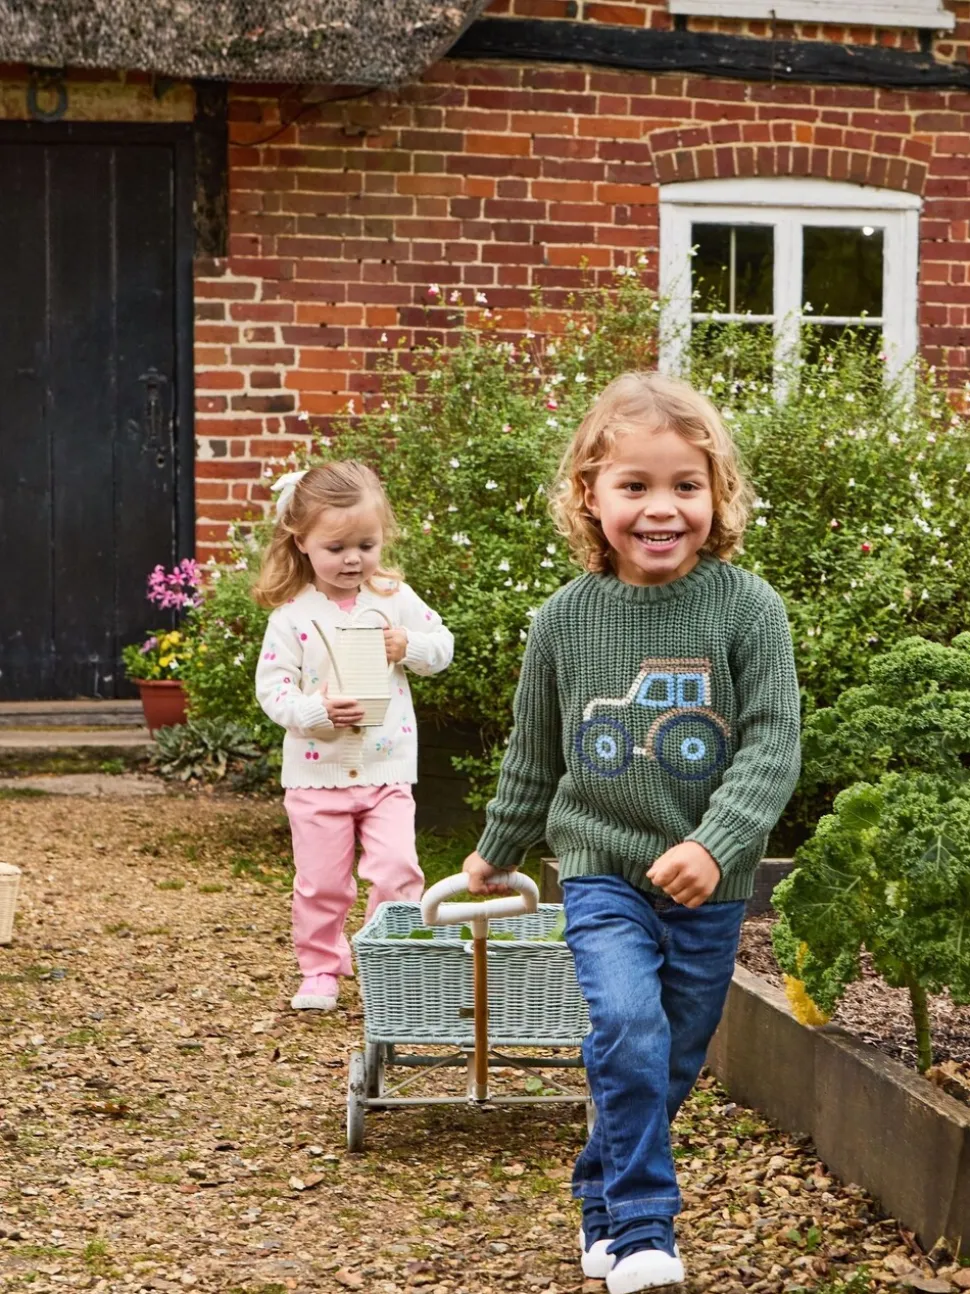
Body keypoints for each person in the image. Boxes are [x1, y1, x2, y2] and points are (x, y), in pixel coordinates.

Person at [461, 372, 801, 1293]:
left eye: (686, 486)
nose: (663, 508)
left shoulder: (747, 608)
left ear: (717, 494)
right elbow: (535, 755)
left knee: (672, 1056)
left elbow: (773, 746)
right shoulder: (564, 620)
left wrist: (717, 842)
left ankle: (597, 1198)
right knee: (625, 1027)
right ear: (590, 496)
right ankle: (647, 1226)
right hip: (602, 869)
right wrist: (498, 847)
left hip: (707, 886)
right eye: (636, 486)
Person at [254, 461, 453, 1012]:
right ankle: (321, 967)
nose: (352, 560)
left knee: (397, 870)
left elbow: (442, 647)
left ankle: (392, 959)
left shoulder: (393, 597)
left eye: (366, 544)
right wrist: (316, 710)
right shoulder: (292, 617)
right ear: (302, 542)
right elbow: (273, 691)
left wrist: (406, 645)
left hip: (386, 768)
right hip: (317, 777)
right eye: (336, 547)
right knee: (322, 882)